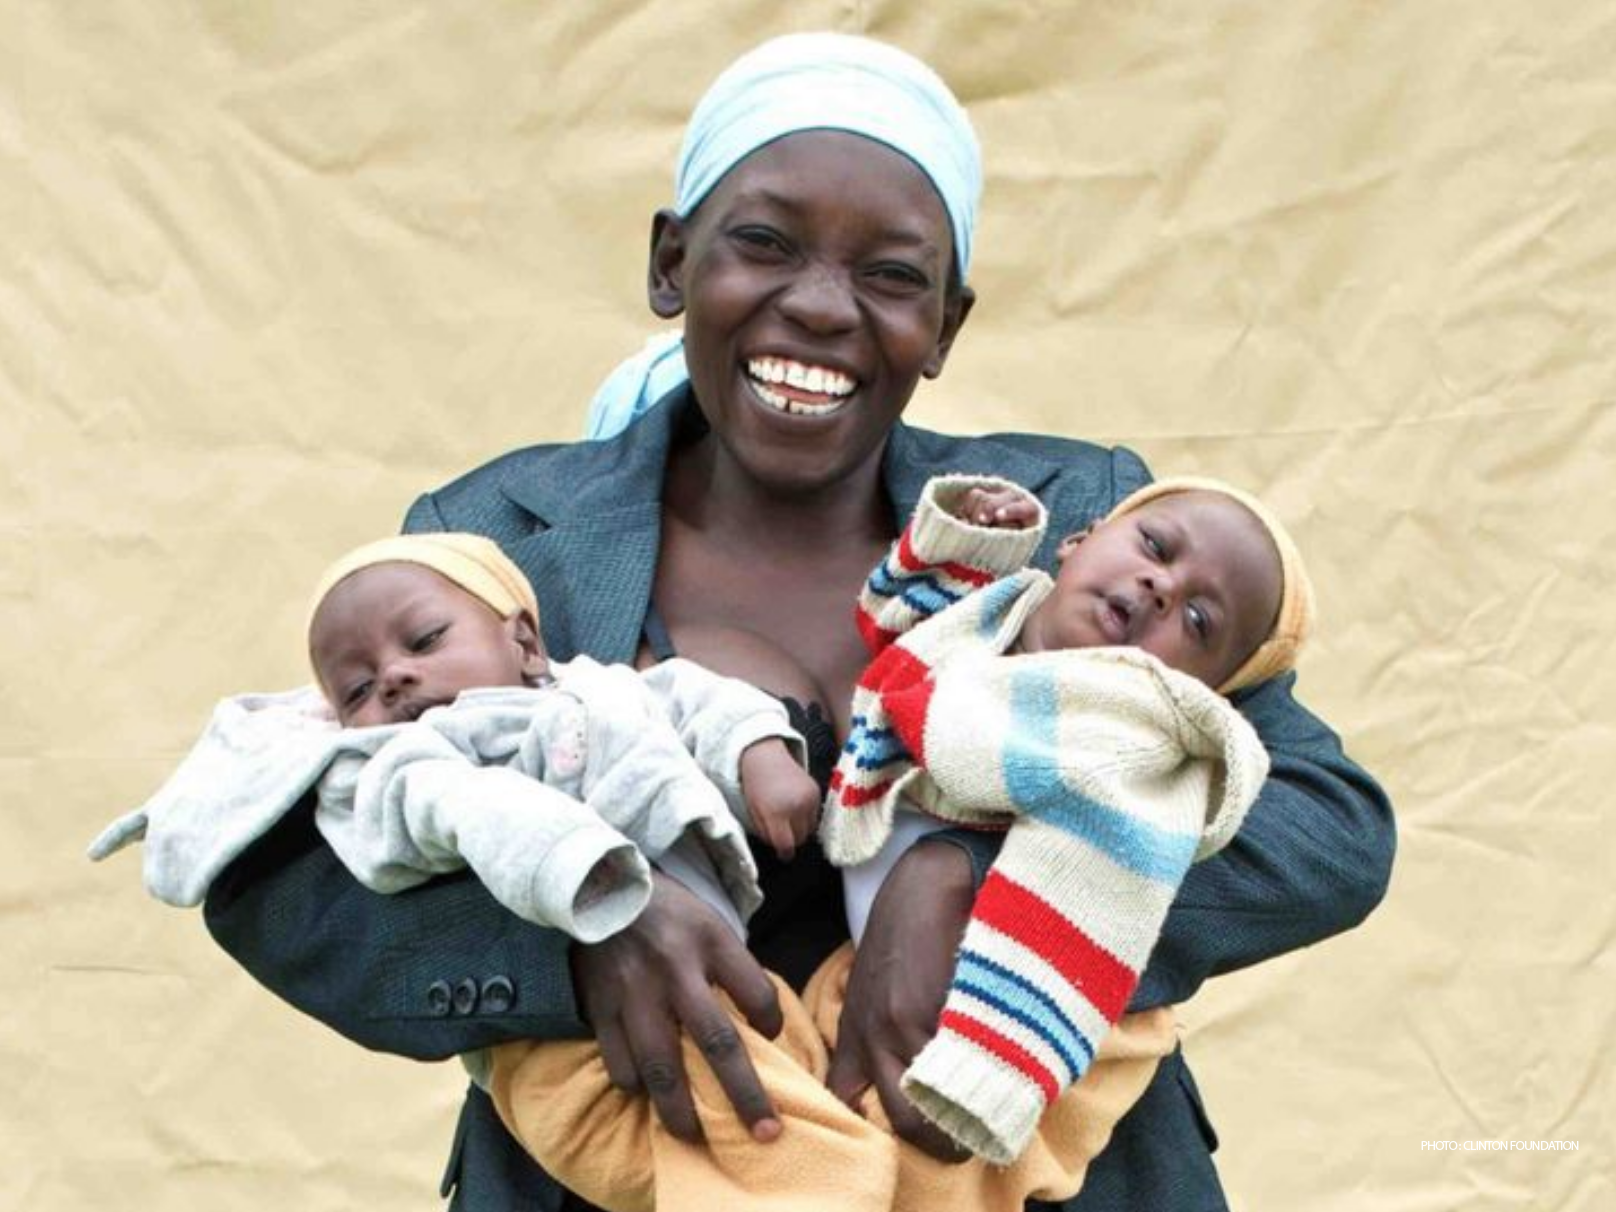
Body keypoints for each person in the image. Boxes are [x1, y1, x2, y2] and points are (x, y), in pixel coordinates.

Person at [199, 31, 1395, 1212]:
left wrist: (972, 879)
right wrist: (578, 938)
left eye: (888, 274)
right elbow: (286, 879)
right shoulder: (495, 541)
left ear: (946, 323)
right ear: (672, 263)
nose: (821, 307)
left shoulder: (1077, 523)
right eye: (762, 243)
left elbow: (1327, 828)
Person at [491, 470, 1305, 1212]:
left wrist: (967, 901)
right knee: (768, 1098)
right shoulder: (993, 613)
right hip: (829, 982)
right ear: (1078, 539)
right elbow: (897, 613)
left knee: (934, 1159)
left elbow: (1106, 885)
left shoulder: (1129, 730)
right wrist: (971, 531)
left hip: (1017, 990)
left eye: (1199, 619)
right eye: (1155, 549)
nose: (1160, 588)